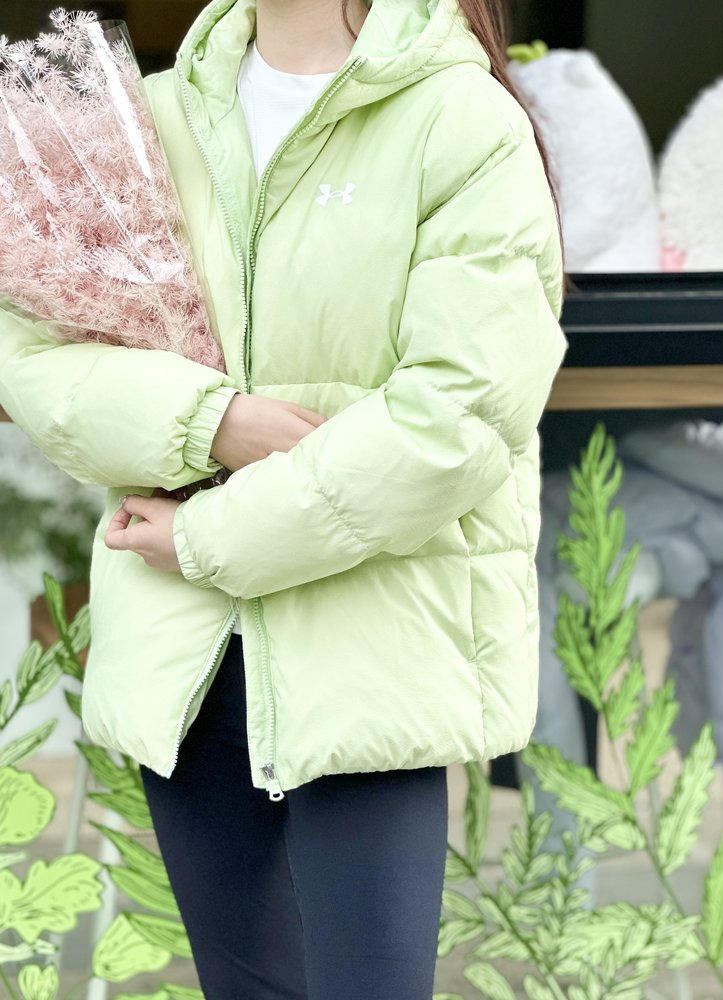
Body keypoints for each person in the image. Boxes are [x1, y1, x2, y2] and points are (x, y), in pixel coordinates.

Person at [0, 0, 566, 995]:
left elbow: (460, 419)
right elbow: (33, 359)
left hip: (373, 658)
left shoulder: (460, 120)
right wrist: (212, 421)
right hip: (187, 663)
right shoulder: (149, 115)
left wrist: (211, 533)